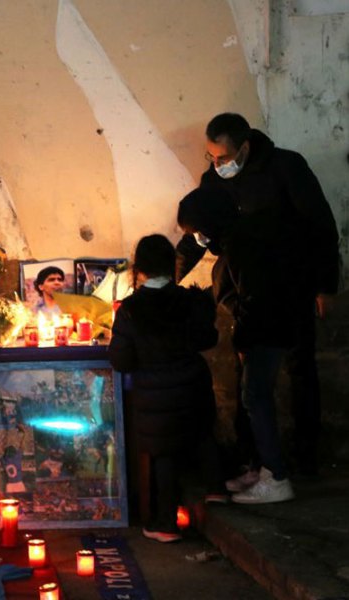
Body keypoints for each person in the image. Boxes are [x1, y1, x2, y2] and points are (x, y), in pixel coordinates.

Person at [175, 113, 340, 477]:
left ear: (245, 148)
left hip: (291, 287)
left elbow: (321, 226)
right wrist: (163, 279)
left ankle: (304, 453)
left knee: (300, 367)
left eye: (223, 158)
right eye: (211, 159)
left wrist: (326, 285)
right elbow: (198, 235)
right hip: (241, 293)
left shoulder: (286, 168)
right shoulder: (214, 181)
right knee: (246, 373)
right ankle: (253, 457)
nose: (217, 166)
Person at [178, 187, 301, 504]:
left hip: (266, 331)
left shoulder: (243, 244)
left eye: (197, 231)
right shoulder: (241, 237)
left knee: (256, 398)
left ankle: (276, 477)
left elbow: (255, 298)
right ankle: (261, 468)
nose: (199, 239)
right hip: (266, 329)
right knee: (253, 398)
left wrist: (245, 339)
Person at [108, 234, 224, 542]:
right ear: (173, 264)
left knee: (163, 453)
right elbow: (208, 339)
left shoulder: (130, 310)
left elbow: (120, 359)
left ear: (139, 268)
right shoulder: (190, 300)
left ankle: (165, 523)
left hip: (155, 392)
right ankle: (217, 489)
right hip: (193, 383)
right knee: (203, 434)